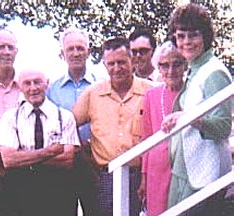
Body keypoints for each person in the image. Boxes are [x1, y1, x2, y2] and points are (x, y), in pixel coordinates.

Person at [161, 3, 232, 215]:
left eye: (193, 35)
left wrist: (191, 118)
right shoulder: (195, 69)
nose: (186, 42)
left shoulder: (213, 72)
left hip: (203, 174)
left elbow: (223, 126)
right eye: (181, 36)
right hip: (186, 171)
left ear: (206, 36)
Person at [73, 37, 154, 216]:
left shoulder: (151, 91)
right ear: (104, 64)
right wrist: (84, 153)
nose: (116, 68)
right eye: (111, 64)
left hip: (141, 176)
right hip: (105, 177)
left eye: (121, 62)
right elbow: (70, 125)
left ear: (132, 60)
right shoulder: (93, 93)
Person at [0, 69, 80, 216]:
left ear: (46, 84)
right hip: (20, 190)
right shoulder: (10, 117)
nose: (33, 88)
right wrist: (51, 151)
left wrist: (24, 156)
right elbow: (8, 160)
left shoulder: (65, 117)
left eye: (37, 82)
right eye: (27, 84)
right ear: (20, 88)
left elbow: (67, 159)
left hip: (58, 189)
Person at [46, 27, 99, 216]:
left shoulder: (101, 84)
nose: (76, 53)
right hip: (64, 165)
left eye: (80, 48)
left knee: (97, 211)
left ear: (89, 51)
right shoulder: (51, 90)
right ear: (62, 54)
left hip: (95, 162)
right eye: (70, 49)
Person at [137, 41, 187, 216]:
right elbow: (146, 137)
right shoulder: (151, 95)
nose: (171, 71)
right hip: (157, 168)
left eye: (177, 64)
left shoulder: (191, 90)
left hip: (184, 162)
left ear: (185, 64)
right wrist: (143, 177)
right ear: (158, 67)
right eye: (165, 65)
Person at [0, 28, 20, 215]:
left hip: (25, 166)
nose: (7, 51)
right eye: (1, 47)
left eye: (11, 47)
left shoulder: (29, 85)